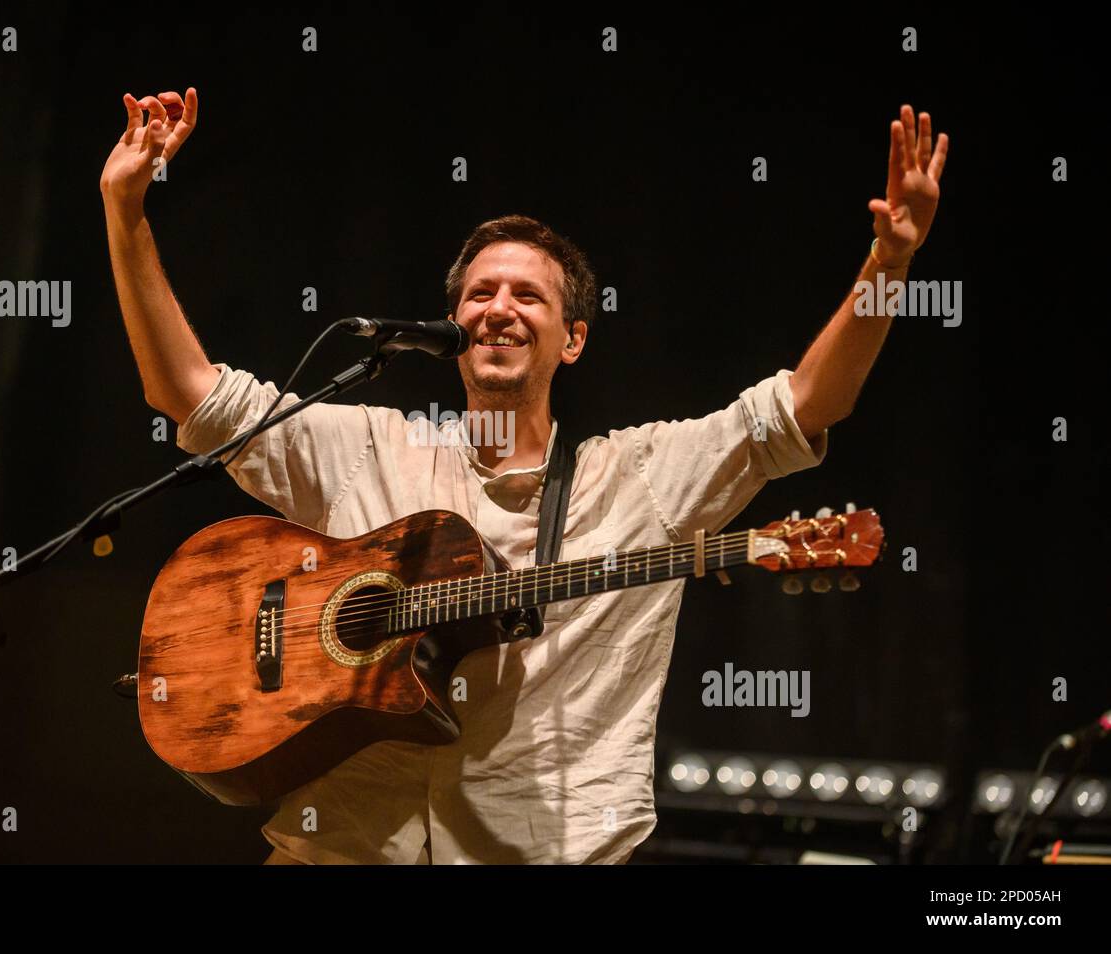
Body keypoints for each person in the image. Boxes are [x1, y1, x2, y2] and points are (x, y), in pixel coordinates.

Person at [100, 88, 948, 864]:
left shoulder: (645, 476)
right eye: (479, 293)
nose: (498, 307)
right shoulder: (368, 447)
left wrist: (890, 263)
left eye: (527, 297)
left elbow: (806, 407)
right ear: (453, 322)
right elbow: (187, 395)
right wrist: (126, 210)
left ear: (573, 339)